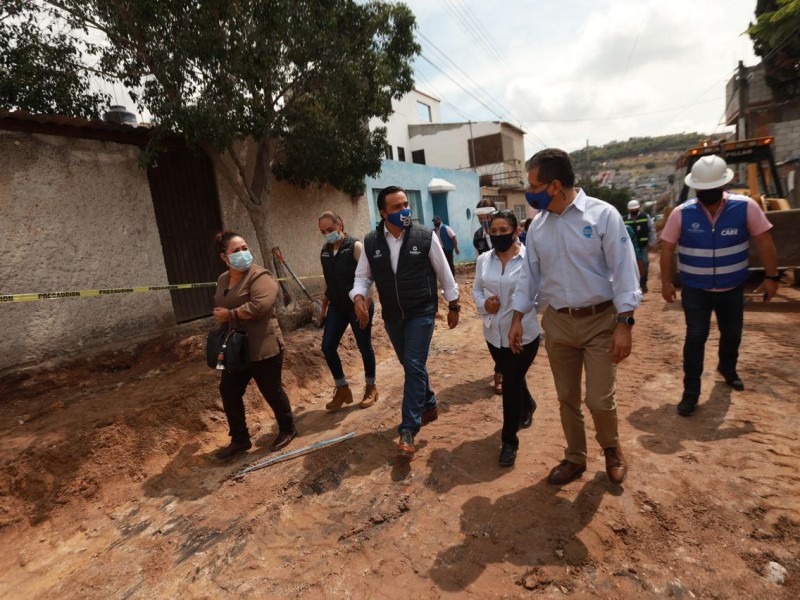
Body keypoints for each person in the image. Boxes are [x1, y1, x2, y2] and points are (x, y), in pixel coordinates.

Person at [509, 148, 641, 486]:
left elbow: (624, 270)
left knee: (598, 398)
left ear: (554, 186)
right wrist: (517, 317)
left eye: (532, 184)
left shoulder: (603, 216)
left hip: (600, 321)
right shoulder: (537, 227)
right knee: (566, 397)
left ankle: (611, 448)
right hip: (558, 323)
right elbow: (529, 276)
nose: (528, 189)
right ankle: (575, 458)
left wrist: (624, 324)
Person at [660, 155, 779, 416]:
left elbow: (764, 241)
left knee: (732, 334)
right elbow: (667, 248)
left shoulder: (746, 207)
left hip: (732, 287)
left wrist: (772, 277)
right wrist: (666, 282)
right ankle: (690, 393)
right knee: (695, 337)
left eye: (712, 189)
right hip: (695, 290)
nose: (707, 194)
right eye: (703, 190)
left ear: (724, 186)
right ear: (696, 188)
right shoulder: (682, 213)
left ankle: (728, 368)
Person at [351, 186, 460, 459]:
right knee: (412, 364)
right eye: (397, 207)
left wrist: (454, 303)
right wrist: (359, 297)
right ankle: (429, 403)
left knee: (412, 365)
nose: (404, 211)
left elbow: (444, 272)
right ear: (383, 212)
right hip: (393, 316)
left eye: (405, 205)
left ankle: (409, 429)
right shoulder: (372, 242)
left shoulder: (425, 236)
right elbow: (363, 277)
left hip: (421, 312)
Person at [212, 231, 297, 459]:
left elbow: (261, 306)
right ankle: (240, 439)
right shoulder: (222, 279)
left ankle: (288, 428)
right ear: (224, 257)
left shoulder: (261, 276)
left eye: (244, 248)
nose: (243, 253)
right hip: (236, 348)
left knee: (271, 389)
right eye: (235, 250)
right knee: (228, 390)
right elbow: (220, 301)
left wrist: (229, 314)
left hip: (263, 345)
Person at [473, 210, 541, 467]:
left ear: (516, 232)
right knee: (511, 374)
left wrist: (520, 314)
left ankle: (509, 441)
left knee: (510, 384)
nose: (498, 236)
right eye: (494, 231)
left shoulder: (529, 259)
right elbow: (477, 289)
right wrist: (484, 304)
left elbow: (538, 293)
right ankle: (529, 404)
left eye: (504, 231)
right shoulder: (483, 260)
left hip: (524, 334)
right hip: (493, 333)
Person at [318, 211, 379, 411]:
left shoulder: (355, 246)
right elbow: (327, 280)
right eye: (323, 231)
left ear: (340, 225)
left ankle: (371, 387)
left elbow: (368, 276)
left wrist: (366, 303)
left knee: (364, 346)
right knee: (327, 347)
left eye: (330, 229)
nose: (328, 234)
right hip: (337, 306)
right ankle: (342, 389)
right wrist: (324, 308)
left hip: (357, 306)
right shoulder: (325, 251)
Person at [472, 198, 503, 394]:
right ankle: (501, 367)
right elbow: (479, 265)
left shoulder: (504, 230)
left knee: (507, 333)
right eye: (480, 216)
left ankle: (501, 373)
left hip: (507, 288)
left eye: (487, 215)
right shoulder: (478, 237)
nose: (484, 219)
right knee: (492, 334)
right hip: (488, 293)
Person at [624, 199, 656, 292]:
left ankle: (643, 283)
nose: (634, 211)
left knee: (645, 263)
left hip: (643, 246)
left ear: (638, 208)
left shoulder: (645, 217)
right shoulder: (624, 219)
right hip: (630, 247)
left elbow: (651, 230)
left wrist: (651, 242)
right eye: (632, 210)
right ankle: (634, 285)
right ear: (628, 210)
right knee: (631, 266)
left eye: (635, 209)